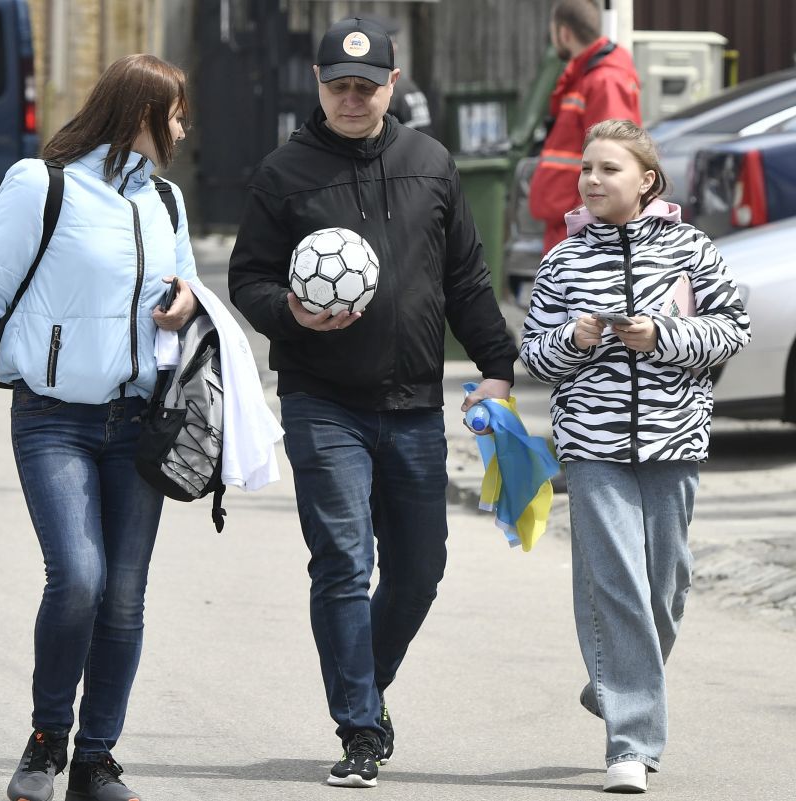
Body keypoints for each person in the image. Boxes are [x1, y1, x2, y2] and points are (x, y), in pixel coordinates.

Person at [227, 15, 518, 789]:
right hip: (324, 402)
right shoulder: (283, 172)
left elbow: (465, 279)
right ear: (319, 87)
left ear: (392, 84)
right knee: (344, 561)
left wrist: (498, 365)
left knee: (421, 569)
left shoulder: (432, 162)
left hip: (415, 402)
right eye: (338, 86)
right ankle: (358, 726)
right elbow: (248, 278)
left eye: (367, 85)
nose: (352, 99)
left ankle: (368, 683)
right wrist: (290, 310)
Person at [0, 54, 199, 801]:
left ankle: (96, 760)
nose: (182, 126)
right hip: (53, 419)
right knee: (78, 578)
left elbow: (188, 286)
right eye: (175, 113)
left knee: (125, 595)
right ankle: (47, 742)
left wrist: (183, 304)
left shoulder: (167, 201)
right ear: (140, 111)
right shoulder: (42, 184)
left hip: (141, 422)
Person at [519, 120, 750, 793]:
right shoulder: (563, 260)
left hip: (675, 441)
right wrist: (576, 337)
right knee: (617, 583)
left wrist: (664, 335)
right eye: (585, 169)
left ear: (647, 179)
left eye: (607, 169)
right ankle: (632, 743)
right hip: (593, 447)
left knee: (668, 585)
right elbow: (534, 354)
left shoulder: (691, 249)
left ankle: (615, 682)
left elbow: (732, 327)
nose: (590, 180)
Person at [529, 0, 641, 255]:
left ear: (564, 33)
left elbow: (614, 158)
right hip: (572, 223)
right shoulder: (587, 76)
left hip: (584, 229)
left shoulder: (604, 79)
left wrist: (590, 227)